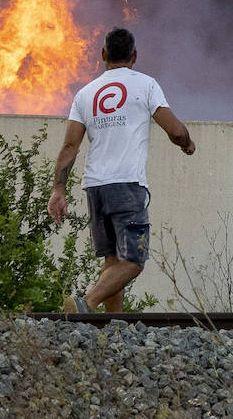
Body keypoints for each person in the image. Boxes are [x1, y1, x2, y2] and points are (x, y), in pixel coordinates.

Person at [47, 27, 195, 313]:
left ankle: (112, 330)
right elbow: (175, 131)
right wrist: (187, 144)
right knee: (133, 261)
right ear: (134, 56)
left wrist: (58, 189)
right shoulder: (146, 85)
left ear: (103, 55)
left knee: (112, 262)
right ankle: (86, 303)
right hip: (126, 186)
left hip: (96, 188)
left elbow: (69, 147)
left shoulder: (85, 94)